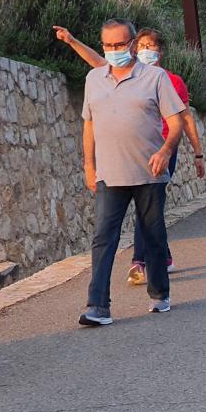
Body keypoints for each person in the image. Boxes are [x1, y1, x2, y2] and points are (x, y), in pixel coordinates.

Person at [53, 25, 206, 286]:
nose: (146, 51)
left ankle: (140, 261)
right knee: (147, 216)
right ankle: (158, 257)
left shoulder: (167, 79)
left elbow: (185, 118)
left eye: (151, 47)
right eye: (143, 46)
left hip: (161, 149)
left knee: (147, 211)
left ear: (158, 51)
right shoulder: (118, 74)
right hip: (125, 154)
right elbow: (98, 62)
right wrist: (72, 41)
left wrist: (197, 152)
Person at [78, 19, 186, 325]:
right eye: (108, 46)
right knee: (103, 238)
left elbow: (176, 121)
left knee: (152, 236)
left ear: (132, 45)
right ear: (103, 46)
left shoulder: (155, 77)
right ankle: (97, 306)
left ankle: (160, 292)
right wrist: (89, 165)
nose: (114, 51)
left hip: (149, 172)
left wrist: (165, 151)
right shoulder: (93, 79)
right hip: (109, 175)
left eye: (120, 45)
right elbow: (89, 124)